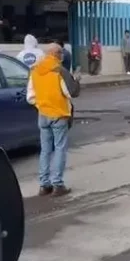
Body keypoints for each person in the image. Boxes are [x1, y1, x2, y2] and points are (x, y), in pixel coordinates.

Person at [26, 43, 74, 196]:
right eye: (61, 54)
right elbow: (70, 92)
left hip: (43, 114)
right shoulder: (59, 71)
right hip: (58, 114)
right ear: (58, 54)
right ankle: (57, 184)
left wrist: (42, 103)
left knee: (45, 150)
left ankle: (44, 184)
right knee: (59, 148)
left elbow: (30, 97)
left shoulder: (35, 70)